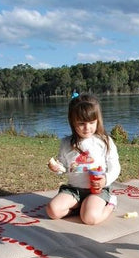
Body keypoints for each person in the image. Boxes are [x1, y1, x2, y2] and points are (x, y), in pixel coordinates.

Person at [46, 93, 120, 225]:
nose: (87, 128)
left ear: (98, 120)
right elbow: (63, 168)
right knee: (53, 211)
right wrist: (57, 168)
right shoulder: (66, 143)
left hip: (98, 190)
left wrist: (105, 180)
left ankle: (110, 204)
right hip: (74, 190)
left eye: (92, 122)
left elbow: (115, 167)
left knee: (89, 218)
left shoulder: (104, 141)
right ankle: (80, 208)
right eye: (81, 123)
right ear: (72, 122)